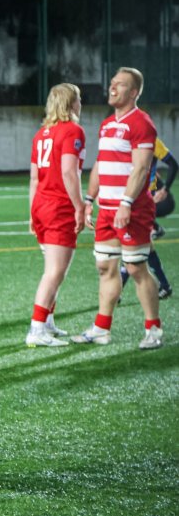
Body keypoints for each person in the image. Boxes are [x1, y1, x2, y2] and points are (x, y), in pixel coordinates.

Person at [74, 67, 162, 350]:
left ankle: (153, 329)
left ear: (134, 92)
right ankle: (102, 328)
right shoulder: (106, 124)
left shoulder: (142, 123)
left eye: (120, 85)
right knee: (104, 266)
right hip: (107, 209)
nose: (112, 88)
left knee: (136, 268)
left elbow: (142, 168)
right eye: (112, 83)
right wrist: (89, 200)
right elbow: (100, 165)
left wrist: (126, 202)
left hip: (132, 210)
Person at [25, 84, 86, 347]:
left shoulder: (41, 134)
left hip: (41, 205)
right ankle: (36, 329)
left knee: (54, 270)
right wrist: (80, 206)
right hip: (59, 207)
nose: (80, 104)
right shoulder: (73, 130)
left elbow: (34, 177)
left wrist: (31, 213)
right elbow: (69, 172)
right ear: (72, 103)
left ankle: (47, 322)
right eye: (79, 99)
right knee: (54, 272)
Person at [119, 137, 175, 299]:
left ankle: (119, 290)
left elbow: (173, 164)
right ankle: (165, 286)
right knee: (140, 245)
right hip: (132, 197)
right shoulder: (126, 141)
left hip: (144, 200)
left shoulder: (152, 140)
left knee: (131, 243)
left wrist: (164, 189)